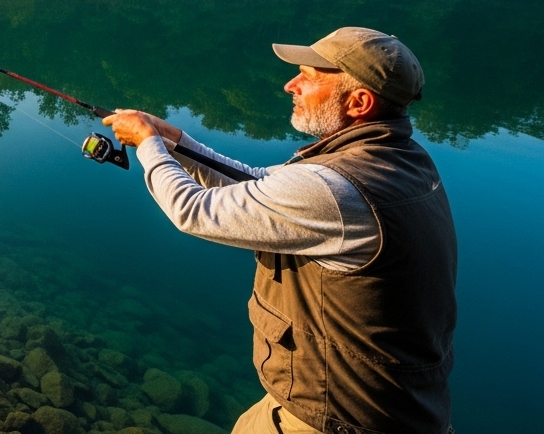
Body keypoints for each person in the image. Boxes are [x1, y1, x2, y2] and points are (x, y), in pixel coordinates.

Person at [102, 28, 456, 434]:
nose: (291, 84)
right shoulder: (399, 159)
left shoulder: (336, 189)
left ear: (359, 102)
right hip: (374, 406)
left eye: (309, 76)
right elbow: (253, 181)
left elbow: (193, 211)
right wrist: (175, 141)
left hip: (339, 419)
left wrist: (148, 146)